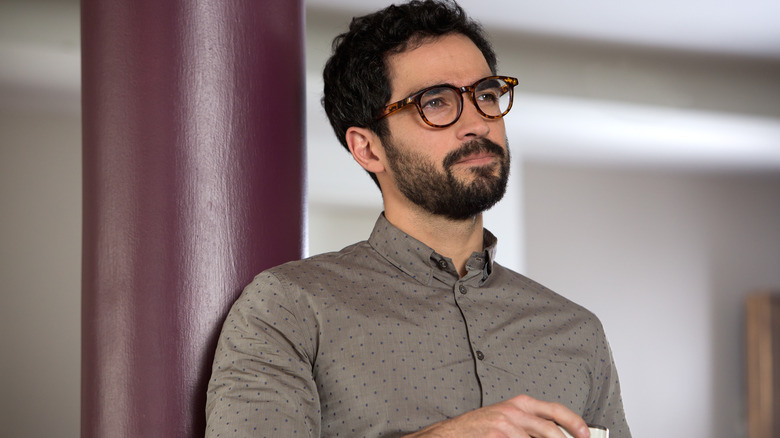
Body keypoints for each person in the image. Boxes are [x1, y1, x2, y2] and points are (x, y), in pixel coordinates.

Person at [206, 1, 631, 437]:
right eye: (436, 103)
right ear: (368, 149)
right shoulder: (289, 308)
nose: (477, 123)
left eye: (485, 94)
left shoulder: (578, 333)